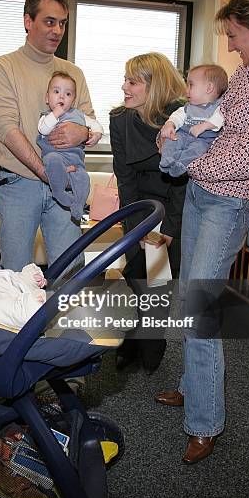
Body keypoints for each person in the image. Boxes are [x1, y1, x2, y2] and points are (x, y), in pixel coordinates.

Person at [154, 0, 249, 464]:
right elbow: (219, 121)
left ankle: (206, 421)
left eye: (235, 35)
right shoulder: (246, 71)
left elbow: (248, 154)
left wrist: (185, 162)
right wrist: (178, 128)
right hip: (200, 194)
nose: (230, 46)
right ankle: (192, 389)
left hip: (228, 203)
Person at [0, 0, 101, 274]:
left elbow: (92, 125)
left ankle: (65, 322)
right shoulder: (3, 68)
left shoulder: (74, 73)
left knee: (70, 272)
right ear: (28, 21)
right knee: (15, 276)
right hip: (18, 185)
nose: (57, 31)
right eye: (49, 21)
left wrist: (83, 134)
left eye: (62, 23)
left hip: (67, 184)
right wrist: (45, 172)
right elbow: (7, 128)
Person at [109, 52, 188, 374]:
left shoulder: (180, 120)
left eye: (132, 81)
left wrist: (167, 227)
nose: (124, 86)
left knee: (155, 281)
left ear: (153, 87)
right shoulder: (120, 120)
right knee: (134, 277)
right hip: (139, 206)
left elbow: (183, 181)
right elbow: (124, 176)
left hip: (173, 206)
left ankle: (151, 342)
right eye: (125, 79)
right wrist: (132, 227)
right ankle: (135, 338)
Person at [37, 71, 104, 221]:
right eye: (56, 92)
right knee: (52, 161)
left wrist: (97, 134)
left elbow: (95, 125)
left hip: (75, 161)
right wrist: (56, 114)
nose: (61, 97)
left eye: (68, 94)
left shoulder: (79, 115)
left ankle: (78, 204)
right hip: (55, 157)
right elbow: (43, 130)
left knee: (83, 179)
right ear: (47, 98)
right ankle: (59, 192)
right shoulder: (46, 117)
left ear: (73, 100)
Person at [159, 64, 228, 177]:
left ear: (209, 88)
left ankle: (180, 166)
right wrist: (170, 124)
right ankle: (167, 160)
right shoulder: (188, 106)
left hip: (203, 140)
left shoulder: (218, 107)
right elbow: (178, 116)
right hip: (183, 134)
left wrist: (204, 126)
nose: (186, 90)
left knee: (197, 151)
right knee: (171, 141)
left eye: (191, 85)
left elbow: (219, 119)